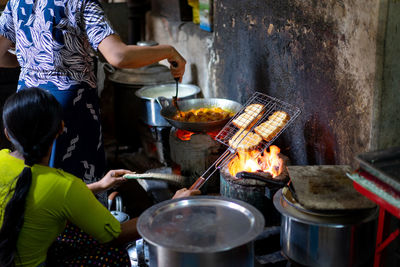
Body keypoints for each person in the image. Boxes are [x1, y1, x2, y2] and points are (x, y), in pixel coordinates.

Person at [0, 0, 187, 205]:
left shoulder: (17, 2)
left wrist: (33, 59)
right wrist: (168, 51)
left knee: (36, 181)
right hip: (68, 105)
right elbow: (118, 56)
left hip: (25, 104)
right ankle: (84, 234)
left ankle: (41, 231)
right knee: (73, 183)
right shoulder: (80, 3)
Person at [0, 88, 200, 266]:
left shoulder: (2, 159)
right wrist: (169, 210)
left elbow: (42, 199)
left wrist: (100, 185)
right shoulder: (65, 186)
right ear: (61, 129)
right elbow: (115, 236)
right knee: (114, 255)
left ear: (8, 134)